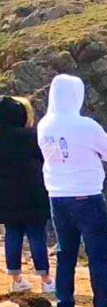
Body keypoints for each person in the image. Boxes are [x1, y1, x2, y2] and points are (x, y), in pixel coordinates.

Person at [37, 74, 107, 307]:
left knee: (65, 253)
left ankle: (64, 305)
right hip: (86, 196)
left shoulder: (44, 124)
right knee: (97, 254)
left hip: (57, 196)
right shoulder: (85, 125)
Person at [0, 95, 53, 295]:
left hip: (6, 195)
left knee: (12, 234)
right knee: (36, 235)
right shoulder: (31, 136)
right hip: (33, 192)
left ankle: (16, 279)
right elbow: (43, 160)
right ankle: (46, 280)